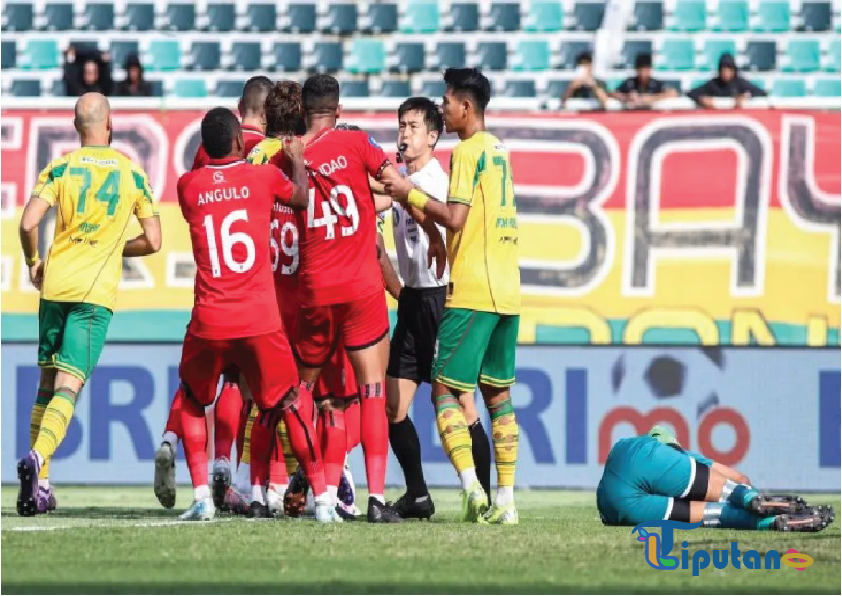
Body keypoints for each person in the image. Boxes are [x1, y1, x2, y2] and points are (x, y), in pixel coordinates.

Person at [175, 107, 341, 523]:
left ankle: (200, 497)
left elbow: (209, 185)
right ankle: (322, 500)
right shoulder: (263, 178)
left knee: (194, 399)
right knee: (289, 401)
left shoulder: (187, 187)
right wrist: (298, 161)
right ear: (237, 143)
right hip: (260, 319)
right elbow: (301, 198)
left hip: (210, 319)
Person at [385, 67, 521, 525]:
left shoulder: (465, 153)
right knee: (496, 396)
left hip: (467, 290)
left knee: (450, 393)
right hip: (505, 288)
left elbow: (455, 218)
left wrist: (413, 198)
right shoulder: (499, 150)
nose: (444, 107)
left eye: (447, 102)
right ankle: (504, 500)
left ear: (465, 107)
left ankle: (472, 490)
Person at [17, 92, 161, 516]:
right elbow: (154, 241)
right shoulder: (132, 174)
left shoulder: (59, 167)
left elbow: (27, 222)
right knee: (69, 386)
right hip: (92, 297)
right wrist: (115, 248)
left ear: (76, 126)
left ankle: (41, 483)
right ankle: (38, 460)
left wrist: (33, 262)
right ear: (109, 123)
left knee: (46, 383)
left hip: (54, 286)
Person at [293, 74, 424, 523]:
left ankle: (308, 484)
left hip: (314, 287)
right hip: (361, 285)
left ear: (303, 110)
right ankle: (374, 500)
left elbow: (288, 201)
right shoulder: (354, 143)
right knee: (371, 392)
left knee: (304, 391)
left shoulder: (288, 153)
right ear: (338, 108)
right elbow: (394, 182)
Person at [153, 75, 274, 514]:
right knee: (244, 383)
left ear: (240, 109)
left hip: (212, 287)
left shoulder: (210, 153)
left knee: (195, 382)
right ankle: (241, 469)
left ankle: (171, 437)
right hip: (265, 290)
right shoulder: (274, 154)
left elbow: (195, 195)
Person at [599, 426, 834, 532]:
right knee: (730, 491)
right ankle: (753, 500)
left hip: (616, 506)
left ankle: (772, 523)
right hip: (640, 459)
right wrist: (749, 491)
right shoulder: (668, 451)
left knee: (715, 515)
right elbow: (739, 477)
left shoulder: (629, 446)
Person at [688, 53, 767, 109]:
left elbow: (762, 93)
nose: (726, 73)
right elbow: (691, 93)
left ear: (733, 71)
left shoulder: (740, 83)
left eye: (729, 70)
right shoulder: (714, 84)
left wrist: (746, 96)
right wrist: (701, 99)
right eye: (723, 70)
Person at [611, 53, 677, 109]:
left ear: (650, 70)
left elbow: (673, 93)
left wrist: (650, 98)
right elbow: (612, 93)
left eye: (646, 71)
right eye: (641, 70)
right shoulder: (630, 83)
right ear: (636, 70)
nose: (643, 74)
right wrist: (627, 97)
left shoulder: (655, 83)